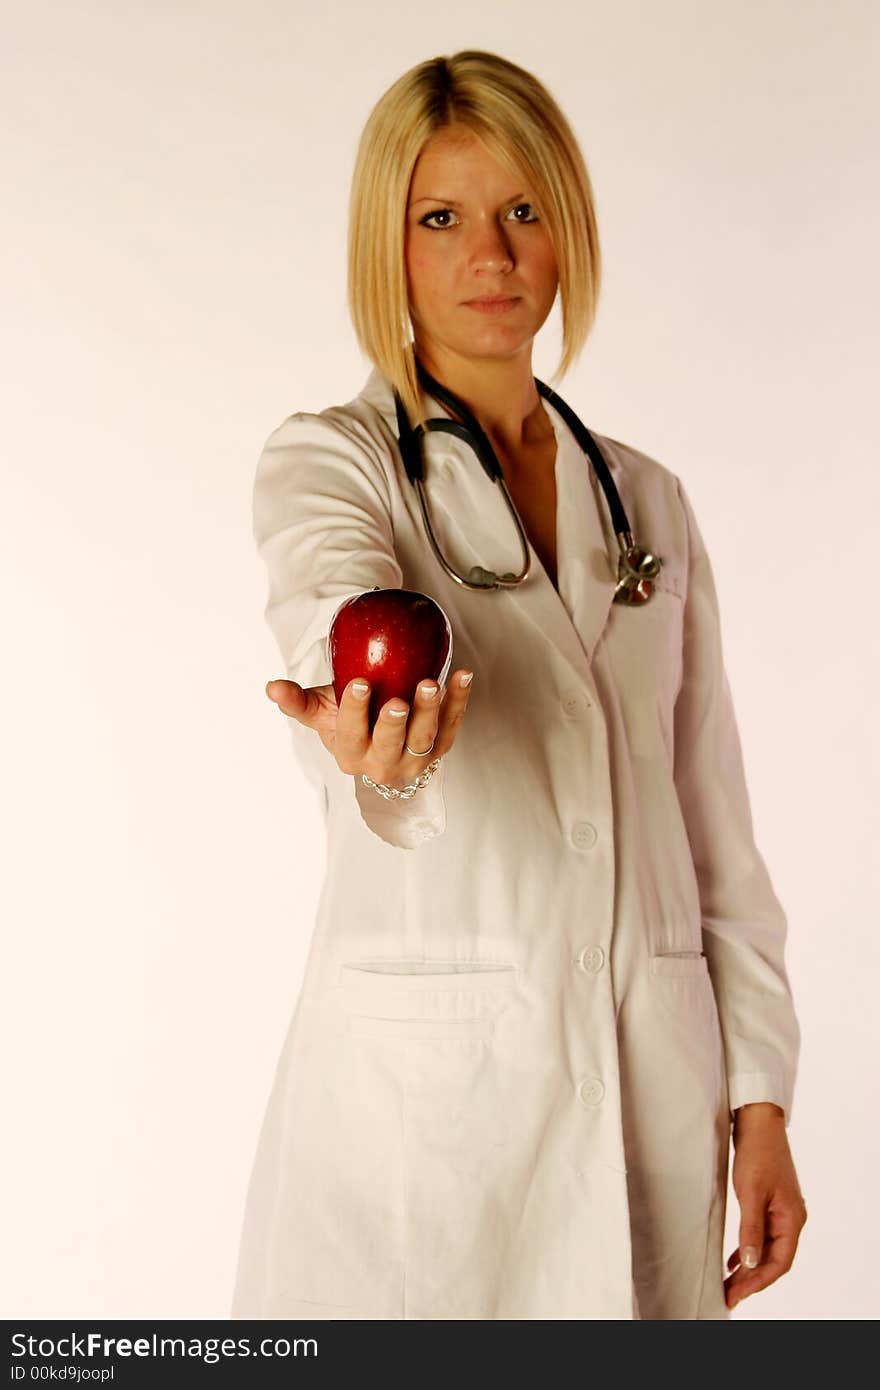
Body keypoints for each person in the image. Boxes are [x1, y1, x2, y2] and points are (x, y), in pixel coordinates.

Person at [230, 50, 806, 1321]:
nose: (491, 254)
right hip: (426, 1129)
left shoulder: (644, 499)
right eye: (442, 218)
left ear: (568, 233)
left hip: (654, 1094)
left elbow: (711, 824)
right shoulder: (333, 461)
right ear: (390, 244)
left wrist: (757, 1093)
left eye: (524, 211)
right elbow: (337, 599)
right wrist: (375, 732)